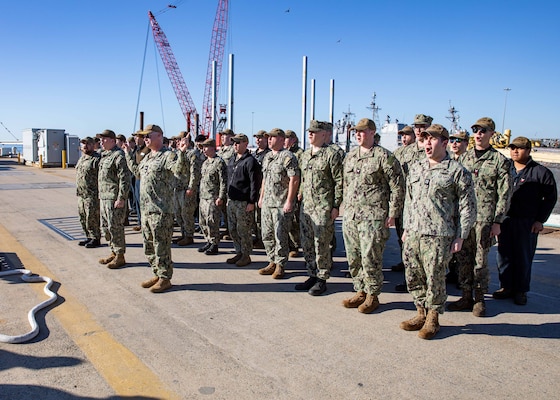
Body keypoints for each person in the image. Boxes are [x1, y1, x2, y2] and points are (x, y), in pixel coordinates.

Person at [400, 124, 476, 339]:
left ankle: (433, 317)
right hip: (414, 231)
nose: (427, 143)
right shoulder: (416, 167)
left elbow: (467, 206)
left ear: (444, 143)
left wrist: (461, 235)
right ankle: (420, 312)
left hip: (439, 234)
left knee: (435, 277)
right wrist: (406, 227)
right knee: (413, 273)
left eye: (432, 139)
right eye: (425, 139)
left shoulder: (457, 171)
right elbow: (409, 200)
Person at [447, 117, 512, 317]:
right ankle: (466, 295)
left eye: (483, 130)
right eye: (475, 130)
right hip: (464, 219)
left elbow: (505, 194)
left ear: (492, 134)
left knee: (480, 261)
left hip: (485, 219)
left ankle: (480, 298)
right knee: (463, 258)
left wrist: (498, 221)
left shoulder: (500, 161)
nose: (478, 134)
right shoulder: (464, 159)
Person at [341, 118, 404, 313]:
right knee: (354, 257)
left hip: (374, 217)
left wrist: (393, 213)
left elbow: (398, 186)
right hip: (351, 216)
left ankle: (372, 295)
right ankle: (360, 290)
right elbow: (346, 184)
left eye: (362, 131)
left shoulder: (384, 157)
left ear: (372, 132)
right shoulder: (350, 156)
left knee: (371, 258)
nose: (358, 134)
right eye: (356, 132)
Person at [123, 124, 189, 293]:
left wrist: (181, 153)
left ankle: (165, 278)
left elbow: (180, 172)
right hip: (146, 210)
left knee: (162, 246)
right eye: (144, 136)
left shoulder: (168, 156)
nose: (145, 138)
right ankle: (157, 273)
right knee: (149, 246)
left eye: (148, 135)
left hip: (161, 211)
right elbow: (137, 172)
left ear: (159, 136)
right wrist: (128, 155)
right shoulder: (147, 157)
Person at [495, 136, 557, 305]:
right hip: (506, 220)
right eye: (513, 148)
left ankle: (521, 290)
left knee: (523, 256)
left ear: (528, 151)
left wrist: (539, 220)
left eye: (520, 148)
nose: (515, 151)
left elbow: (550, 198)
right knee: (504, 255)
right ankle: (506, 286)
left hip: (526, 221)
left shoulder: (541, 172)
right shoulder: (505, 169)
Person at [295, 120, 343, 295]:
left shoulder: (331, 155)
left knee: (321, 244)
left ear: (324, 135)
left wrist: (336, 205)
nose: (310, 134)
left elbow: (339, 182)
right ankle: (311, 273)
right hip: (307, 207)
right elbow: (303, 178)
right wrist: (299, 193)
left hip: (323, 207)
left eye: (314, 132)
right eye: (309, 132)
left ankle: (322, 278)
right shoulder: (305, 155)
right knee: (307, 243)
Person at [257, 128, 300, 279]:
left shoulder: (287, 157)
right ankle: (272, 261)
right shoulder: (268, 156)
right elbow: (265, 179)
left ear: (282, 140)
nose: (269, 140)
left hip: (281, 204)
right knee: (266, 235)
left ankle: (280, 265)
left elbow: (294, 179)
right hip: (268, 203)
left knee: (280, 236)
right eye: (268, 138)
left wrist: (289, 201)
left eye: (273, 138)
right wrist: (261, 197)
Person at [97, 129, 131, 269]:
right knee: (106, 228)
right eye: (100, 140)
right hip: (104, 197)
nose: (101, 142)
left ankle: (120, 255)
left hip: (114, 198)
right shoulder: (105, 155)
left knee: (115, 227)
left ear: (112, 140)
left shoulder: (119, 156)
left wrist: (121, 198)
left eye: (104, 139)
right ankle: (113, 251)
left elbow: (124, 179)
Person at [226, 134, 262, 267]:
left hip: (244, 202)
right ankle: (239, 251)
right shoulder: (232, 159)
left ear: (246, 143)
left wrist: (252, 202)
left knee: (244, 230)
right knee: (233, 229)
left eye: (238, 143)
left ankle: (246, 255)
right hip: (232, 200)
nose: (235, 145)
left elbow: (255, 183)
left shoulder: (250, 161)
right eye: (234, 143)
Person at [390, 125, 416, 274]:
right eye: (402, 135)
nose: (404, 138)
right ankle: (404, 260)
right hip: (401, 201)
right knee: (402, 236)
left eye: (407, 135)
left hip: (415, 204)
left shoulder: (424, 151)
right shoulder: (397, 153)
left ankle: (412, 269)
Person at [198, 138, 227, 255]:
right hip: (203, 196)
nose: (204, 150)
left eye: (206, 147)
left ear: (212, 147)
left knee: (212, 221)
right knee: (202, 221)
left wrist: (221, 196)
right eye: (202, 148)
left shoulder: (219, 162)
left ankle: (214, 244)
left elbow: (223, 181)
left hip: (212, 197)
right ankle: (208, 241)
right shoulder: (205, 163)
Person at [173, 132, 201, 247]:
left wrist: (191, 187)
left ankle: (189, 235)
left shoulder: (193, 153)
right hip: (177, 187)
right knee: (178, 213)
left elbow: (194, 172)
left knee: (187, 213)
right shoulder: (178, 153)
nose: (178, 142)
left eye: (180, 140)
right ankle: (183, 233)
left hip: (186, 188)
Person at [75, 136, 101, 248]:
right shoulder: (82, 158)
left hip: (92, 194)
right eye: (83, 144)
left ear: (93, 145)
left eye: (87, 144)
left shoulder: (97, 159)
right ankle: (88, 236)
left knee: (92, 217)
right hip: (81, 194)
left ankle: (95, 238)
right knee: (83, 217)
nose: (85, 146)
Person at [284, 129, 304, 258]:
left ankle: (295, 246)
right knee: (287, 220)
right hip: (285, 190)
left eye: (286, 138)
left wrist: (300, 191)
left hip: (296, 190)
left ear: (293, 140)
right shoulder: (284, 153)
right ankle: (289, 244)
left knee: (295, 221)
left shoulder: (299, 153)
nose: (284, 141)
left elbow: (302, 175)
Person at [252, 130, 270, 249]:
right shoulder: (254, 154)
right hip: (255, 187)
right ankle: (258, 236)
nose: (258, 140)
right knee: (255, 216)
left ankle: (263, 239)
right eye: (256, 138)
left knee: (263, 217)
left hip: (265, 189)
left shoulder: (268, 154)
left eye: (260, 138)